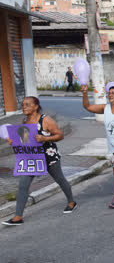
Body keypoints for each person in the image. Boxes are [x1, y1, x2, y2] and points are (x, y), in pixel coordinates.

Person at [2, 97, 77, 226]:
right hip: (32, 158)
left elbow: (60, 135)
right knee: (22, 185)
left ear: (36, 106)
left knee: (60, 180)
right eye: (22, 105)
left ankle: (71, 202)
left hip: (49, 156)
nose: (24, 107)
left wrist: (44, 138)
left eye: (27, 105)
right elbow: (25, 141)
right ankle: (18, 217)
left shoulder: (45, 120)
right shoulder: (24, 121)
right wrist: (13, 142)